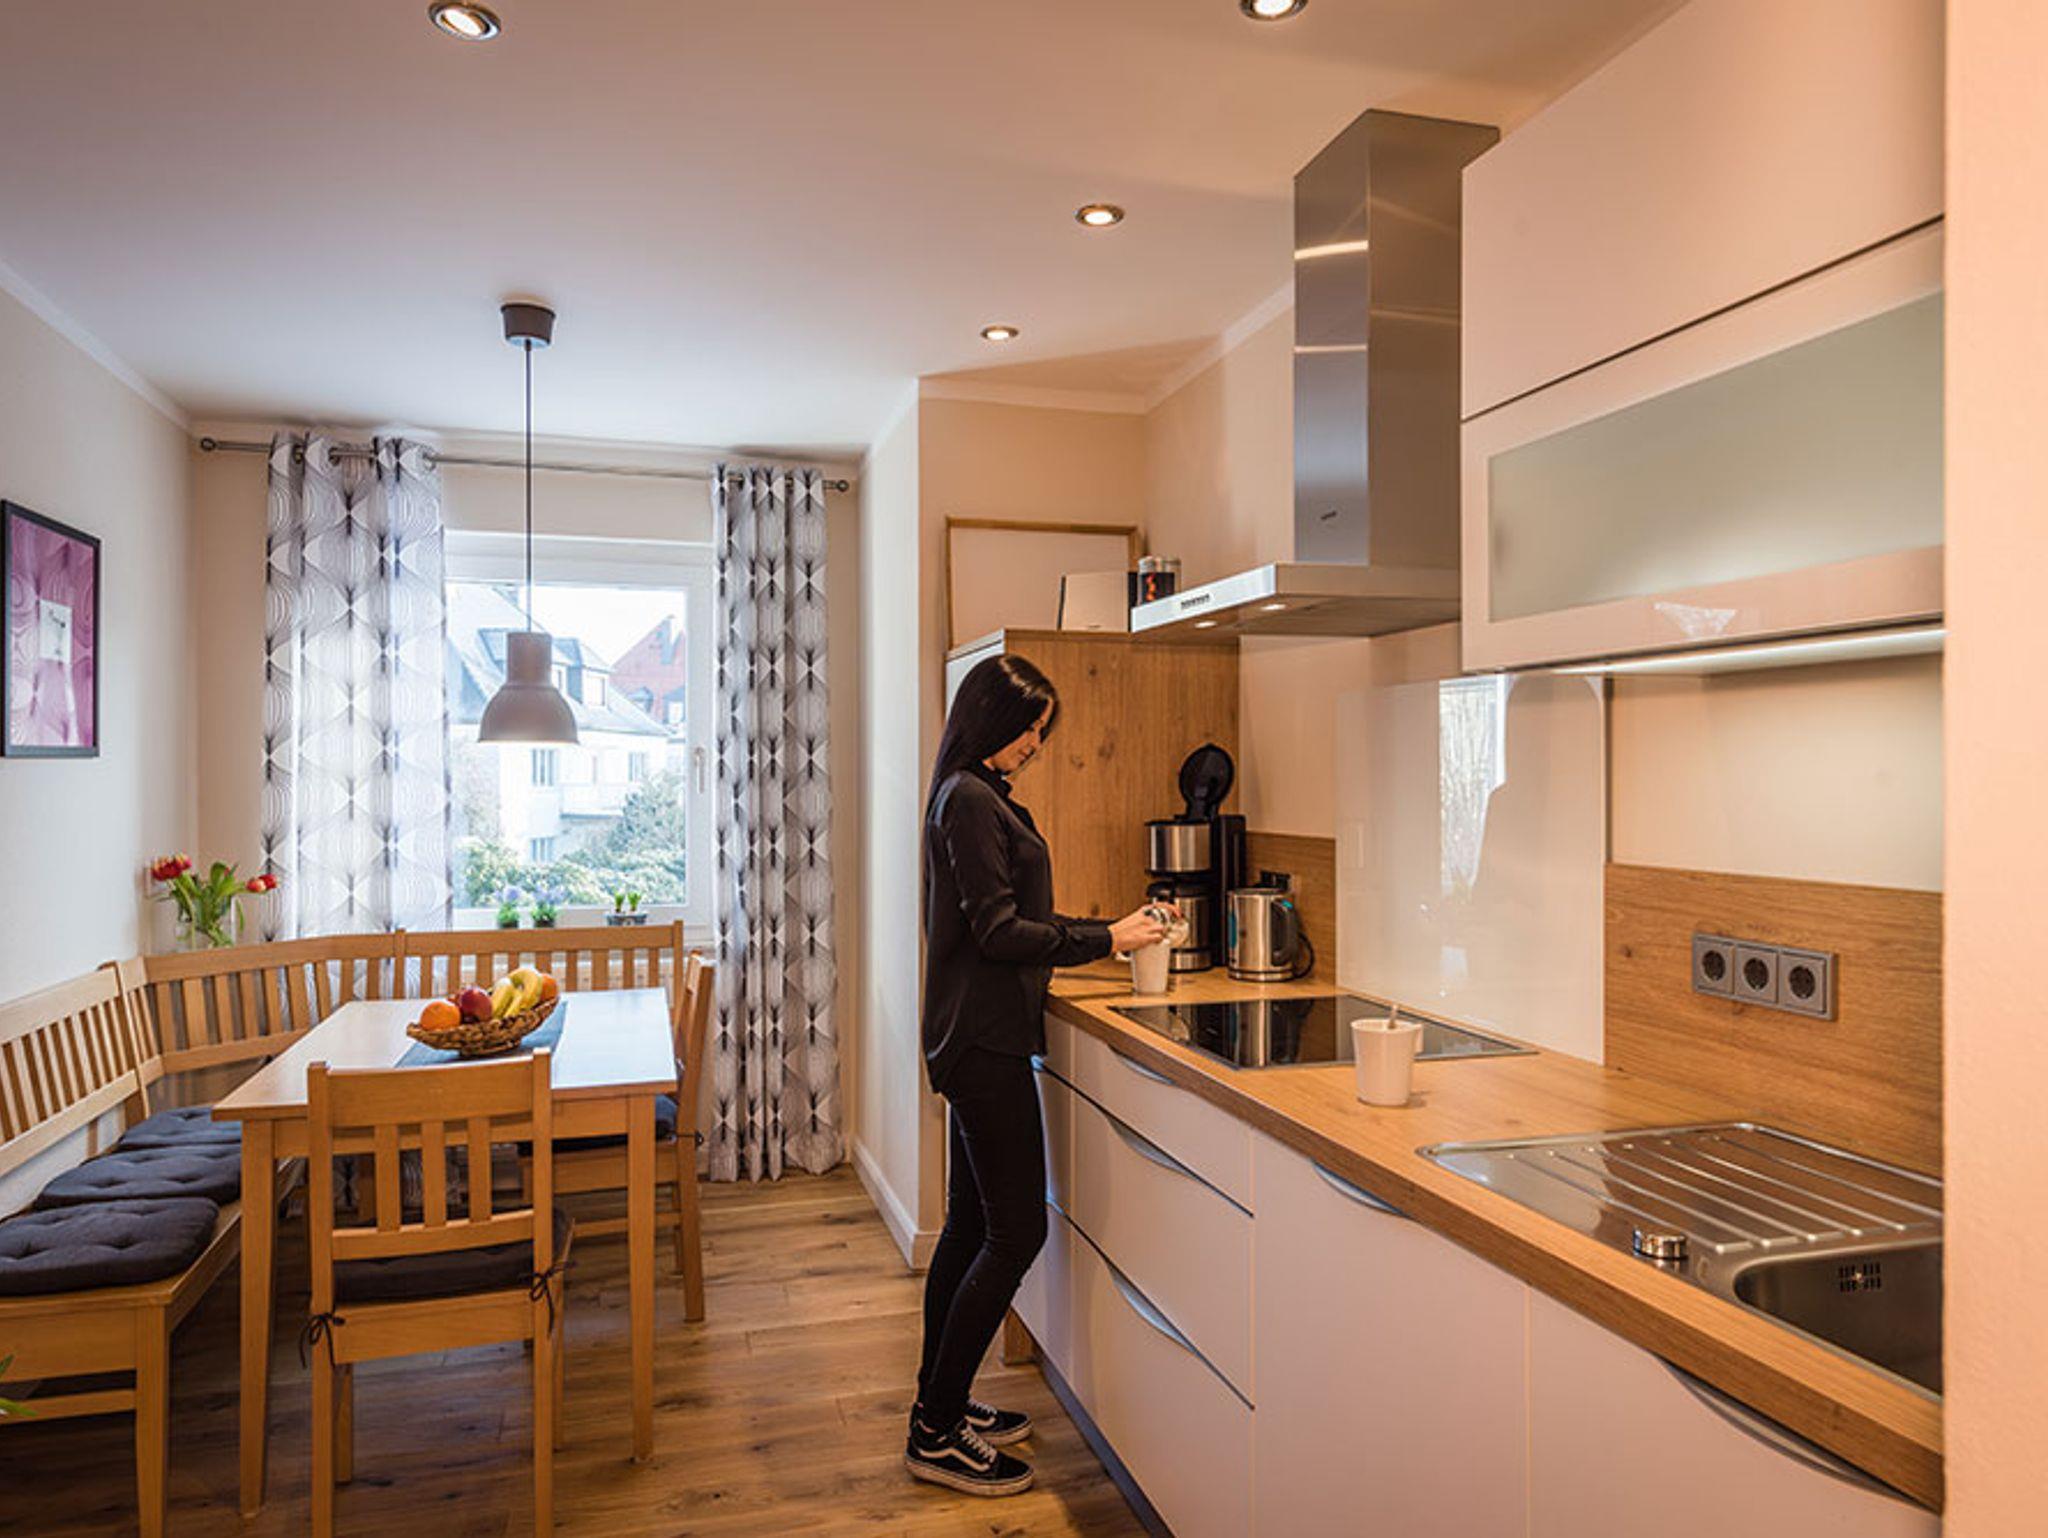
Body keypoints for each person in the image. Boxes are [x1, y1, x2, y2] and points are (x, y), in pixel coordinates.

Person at [905, 654, 1173, 1497]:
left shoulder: (970, 793)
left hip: (971, 1035)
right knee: (1016, 1232)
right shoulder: (971, 800)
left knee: (969, 1227)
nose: (1035, 743)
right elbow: (1000, 933)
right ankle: (935, 1430)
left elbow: (1014, 920)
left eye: (1042, 731)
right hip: (982, 1042)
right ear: (992, 719)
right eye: (1029, 727)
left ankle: (940, 1405)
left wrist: (1108, 929)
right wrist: (1108, 939)